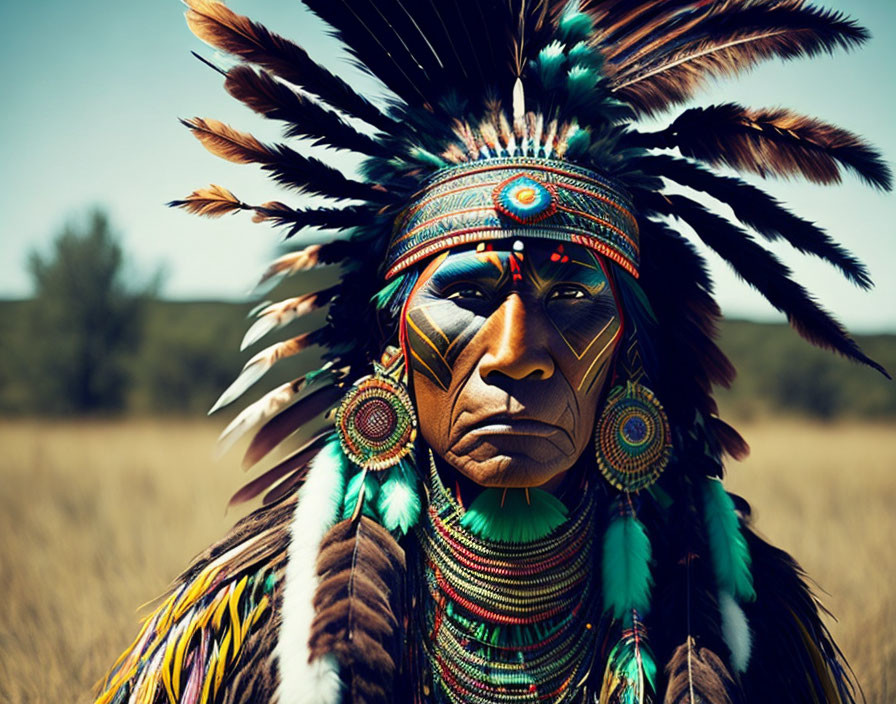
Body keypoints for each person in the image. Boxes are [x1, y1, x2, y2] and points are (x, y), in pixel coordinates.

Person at [94, 1, 890, 703]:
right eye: (469, 296)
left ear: (632, 357)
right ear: (392, 346)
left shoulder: (736, 614)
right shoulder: (258, 613)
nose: (517, 353)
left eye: (574, 298)